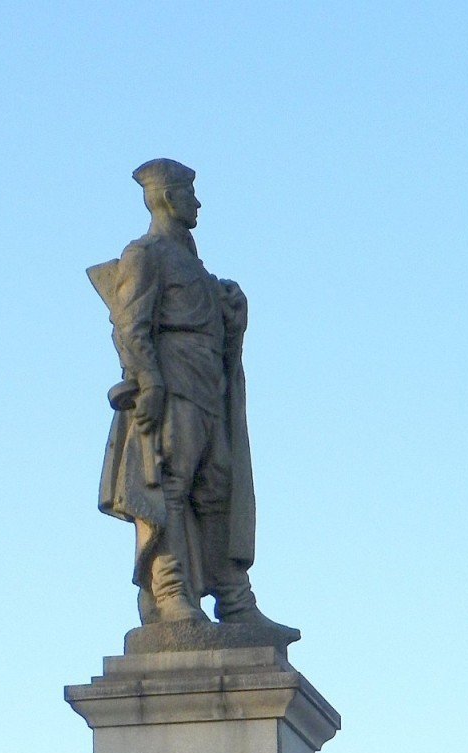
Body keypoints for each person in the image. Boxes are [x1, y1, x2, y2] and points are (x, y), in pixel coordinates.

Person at [89, 159, 297, 641]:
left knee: (216, 488)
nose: (197, 203)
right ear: (167, 197)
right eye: (189, 193)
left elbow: (217, 335)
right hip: (174, 381)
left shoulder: (198, 270)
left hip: (207, 386)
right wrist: (151, 382)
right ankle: (170, 593)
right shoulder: (144, 255)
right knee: (169, 485)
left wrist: (232, 314)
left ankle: (234, 599)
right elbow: (131, 325)